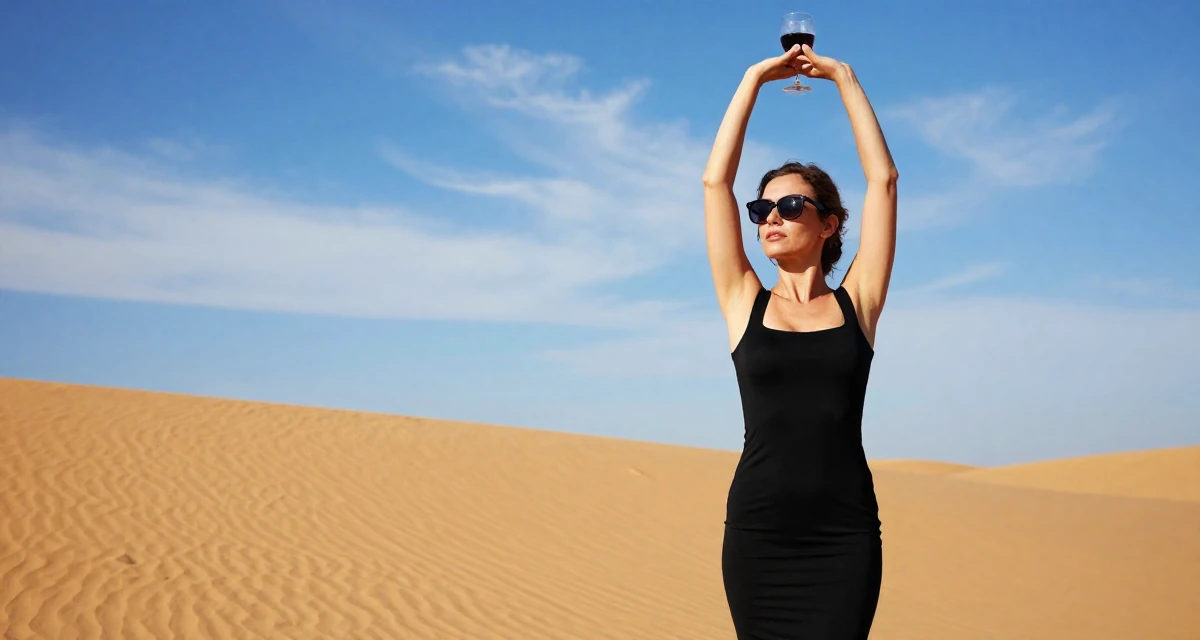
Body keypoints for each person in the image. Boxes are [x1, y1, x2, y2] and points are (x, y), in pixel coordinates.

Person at [701, 42, 899, 639]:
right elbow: (715, 183)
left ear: (830, 222)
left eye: (790, 205)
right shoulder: (744, 301)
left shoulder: (857, 303)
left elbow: (883, 180)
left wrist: (844, 78)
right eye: (763, 208)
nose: (771, 219)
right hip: (759, 533)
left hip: (844, 534)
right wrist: (753, 80)